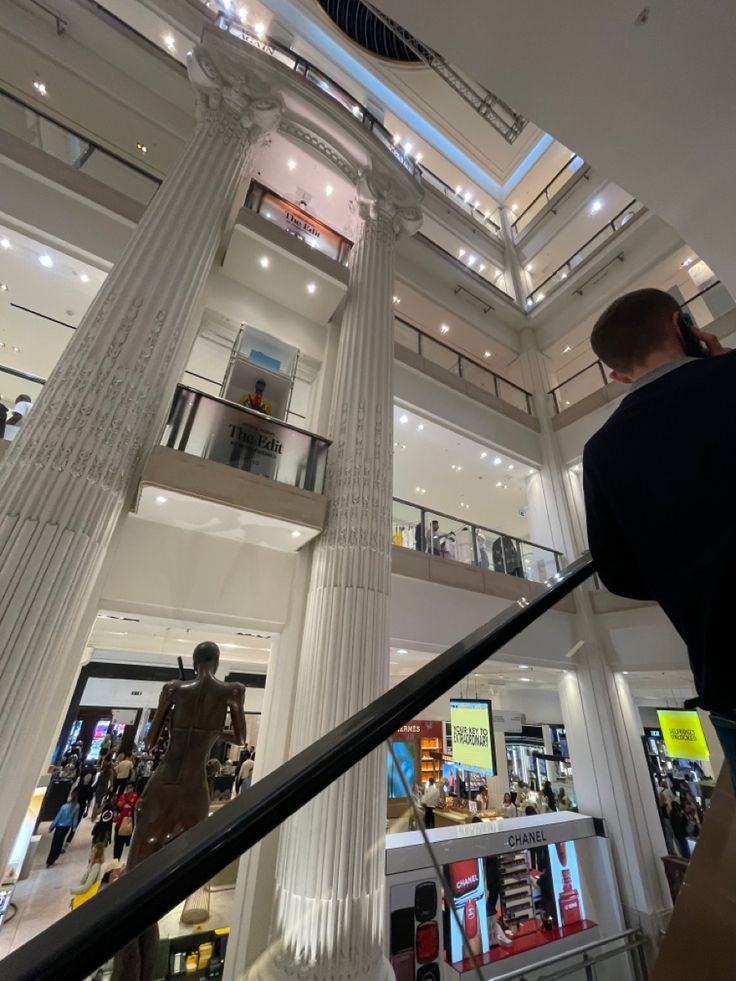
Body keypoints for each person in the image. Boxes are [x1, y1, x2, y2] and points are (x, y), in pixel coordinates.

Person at [582, 288, 736, 786]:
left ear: (616, 373)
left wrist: (683, 572)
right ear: (683, 325)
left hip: (726, 669)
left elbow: (619, 573)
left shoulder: (603, 449)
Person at [111, 640, 246, 981]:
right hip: (193, 789)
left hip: (164, 783)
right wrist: (215, 732)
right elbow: (241, 738)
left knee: (135, 876)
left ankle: (129, 965)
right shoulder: (232, 690)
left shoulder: (173, 689)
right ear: (216, 662)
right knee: (179, 871)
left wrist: (180, 728)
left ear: (194, 661)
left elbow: (151, 740)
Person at [46, 791, 80, 867]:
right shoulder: (77, 806)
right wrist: (73, 828)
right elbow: (75, 818)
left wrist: (52, 826)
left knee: (55, 843)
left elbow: (58, 817)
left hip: (59, 826)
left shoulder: (64, 807)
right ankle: (55, 857)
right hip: (67, 827)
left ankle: (50, 860)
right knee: (60, 841)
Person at [70, 843, 106, 907]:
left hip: (87, 897)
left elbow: (86, 887)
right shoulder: (94, 866)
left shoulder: (95, 867)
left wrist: (72, 890)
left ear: (96, 854)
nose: (90, 854)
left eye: (92, 852)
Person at [113, 784, 138, 861]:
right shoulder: (123, 796)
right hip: (120, 823)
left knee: (123, 840)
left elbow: (134, 806)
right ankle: (116, 858)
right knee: (118, 843)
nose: (129, 791)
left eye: (131, 789)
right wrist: (125, 800)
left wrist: (129, 801)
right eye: (128, 789)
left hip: (128, 822)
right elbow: (119, 806)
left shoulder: (135, 796)